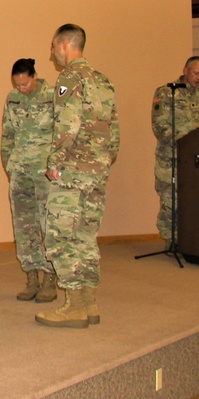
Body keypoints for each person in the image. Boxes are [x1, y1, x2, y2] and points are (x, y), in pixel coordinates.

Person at [38, 24, 119, 329]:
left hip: (72, 171)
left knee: (60, 236)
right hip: (97, 171)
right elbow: (114, 130)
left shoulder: (70, 77)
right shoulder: (103, 81)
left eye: (52, 46)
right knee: (86, 236)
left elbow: (67, 124)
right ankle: (90, 303)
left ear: (64, 44)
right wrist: (103, 161)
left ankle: (73, 305)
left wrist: (55, 160)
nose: (52, 53)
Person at [151, 56, 199, 248]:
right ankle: (173, 241)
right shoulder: (166, 92)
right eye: (196, 73)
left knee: (198, 200)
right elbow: (159, 126)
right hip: (172, 158)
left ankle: (194, 241)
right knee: (171, 202)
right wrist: (186, 141)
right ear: (185, 71)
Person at [0, 58, 56, 303]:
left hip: (45, 174)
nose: (21, 88)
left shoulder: (53, 96)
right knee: (24, 228)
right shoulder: (12, 99)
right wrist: (9, 166)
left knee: (48, 226)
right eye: (17, 84)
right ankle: (32, 279)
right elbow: (7, 135)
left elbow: (63, 134)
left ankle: (50, 280)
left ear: (35, 76)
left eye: (25, 83)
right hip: (20, 173)